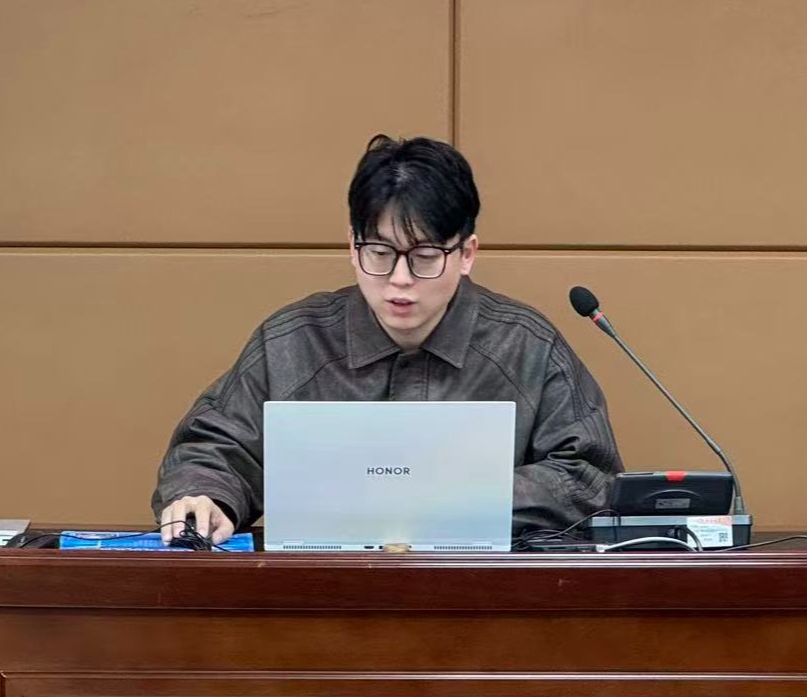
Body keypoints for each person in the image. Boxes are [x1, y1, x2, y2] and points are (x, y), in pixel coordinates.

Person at [153, 134, 622, 543]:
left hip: (480, 596)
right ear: (352, 246)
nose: (399, 279)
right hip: (323, 594)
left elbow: (590, 478)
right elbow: (213, 448)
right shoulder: (293, 342)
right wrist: (205, 495)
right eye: (379, 252)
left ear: (466, 253)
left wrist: (461, 495)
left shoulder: (525, 345)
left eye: (424, 256)